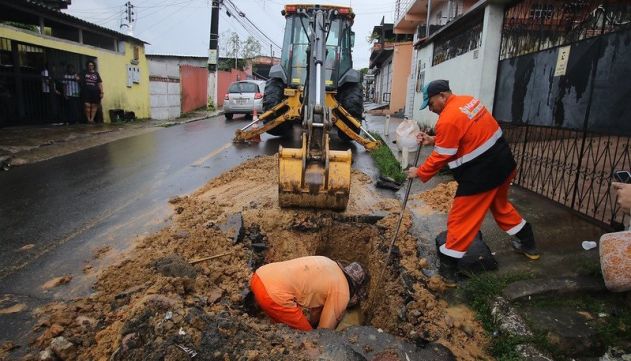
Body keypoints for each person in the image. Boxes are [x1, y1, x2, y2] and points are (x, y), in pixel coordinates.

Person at [407, 80, 540, 287]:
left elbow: (442, 155)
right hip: (503, 164)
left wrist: (420, 171)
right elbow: (465, 135)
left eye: (431, 104)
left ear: (442, 96)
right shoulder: (469, 102)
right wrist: (433, 139)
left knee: (461, 219)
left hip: (481, 175)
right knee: (501, 206)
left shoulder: (448, 119)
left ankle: (448, 269)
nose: (431, 109)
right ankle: (528, 243)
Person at [249, 256, 368, 330]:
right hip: (272, 295)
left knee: (289, 326)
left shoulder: (329, 263)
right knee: (309, 340)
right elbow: (324, 332)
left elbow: (316, 309)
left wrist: (311, 323)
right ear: (355, 287)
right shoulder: (343, 292)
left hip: (259, 276)